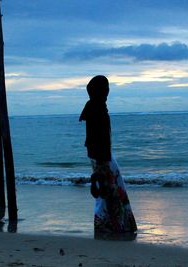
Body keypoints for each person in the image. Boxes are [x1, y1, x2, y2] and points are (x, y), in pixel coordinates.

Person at [79, 75, 137, 236]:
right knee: (106, 191)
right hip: (101, 157)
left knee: (110, 190)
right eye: (105, 88)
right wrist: (100, 163)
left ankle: (115, 225)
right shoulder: (97, 108)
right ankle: (109, 226)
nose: (107, 91)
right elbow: (97, 137)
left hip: (102, 156)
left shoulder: (95, 106)